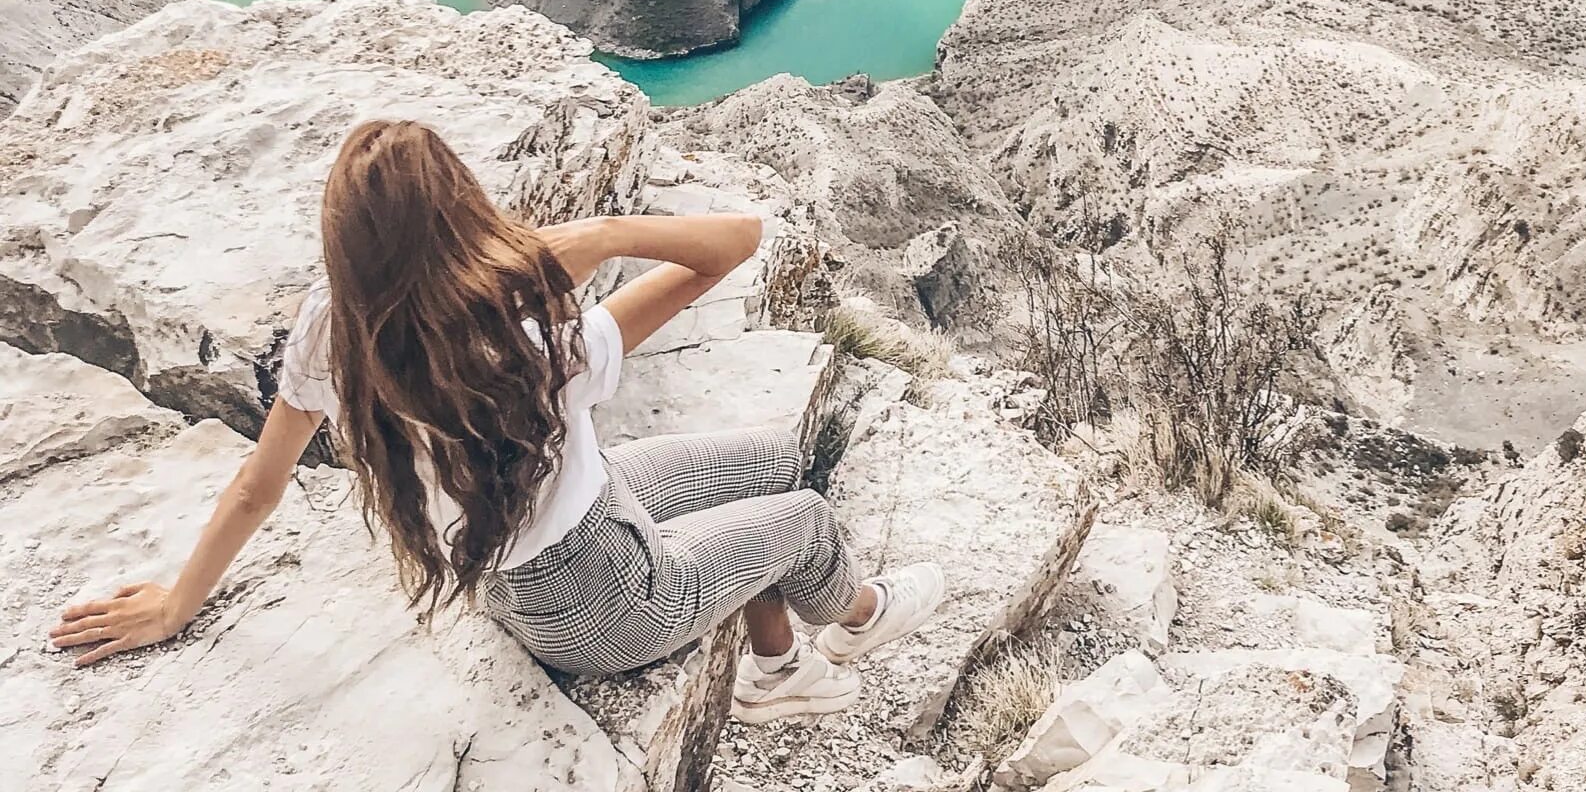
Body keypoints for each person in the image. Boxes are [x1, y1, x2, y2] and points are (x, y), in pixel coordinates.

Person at [49, 118, 943, 724]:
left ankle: (773, 658)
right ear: (464, 217)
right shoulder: (530, 350)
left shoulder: (334, 325)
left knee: (774, 460)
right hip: (599, 600)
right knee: (805, 520)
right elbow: (733, 246)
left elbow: (259, 483)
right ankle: (842, 628)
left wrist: (178, 601)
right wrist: (597, 236)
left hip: (544, 544)